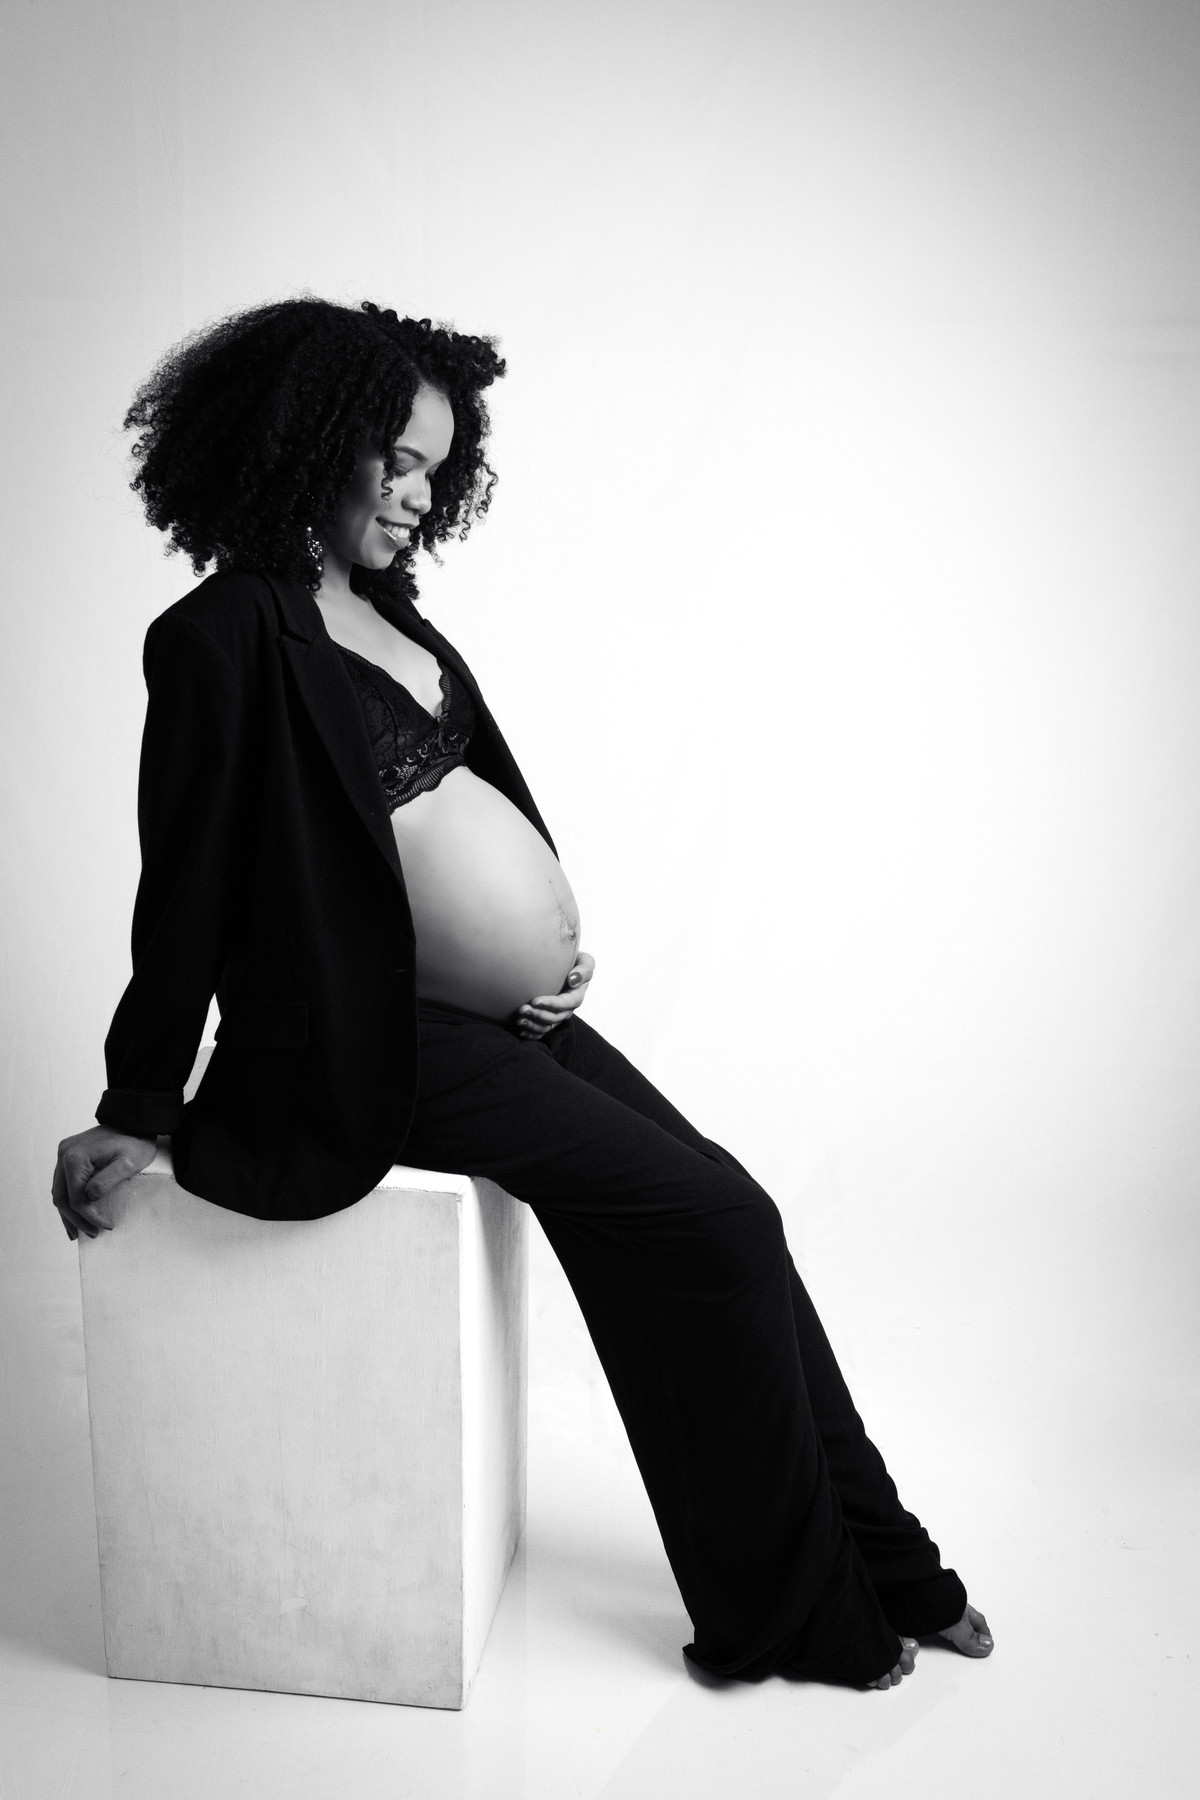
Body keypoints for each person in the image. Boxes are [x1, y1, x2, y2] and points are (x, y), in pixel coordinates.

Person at [52, 297, 993, 1690]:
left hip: (501, 1022)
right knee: (716, 1226)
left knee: (742, 1210)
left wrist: (546, 948)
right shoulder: (224, 633)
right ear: (306, 442)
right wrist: (138, 1100)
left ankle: (895, 1567)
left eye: (438, 469)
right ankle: (793, 1612)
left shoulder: (394, 621)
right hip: (372, 1042)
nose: (418, 496)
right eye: (396, 460)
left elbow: (473, 811)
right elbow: (185, 880)